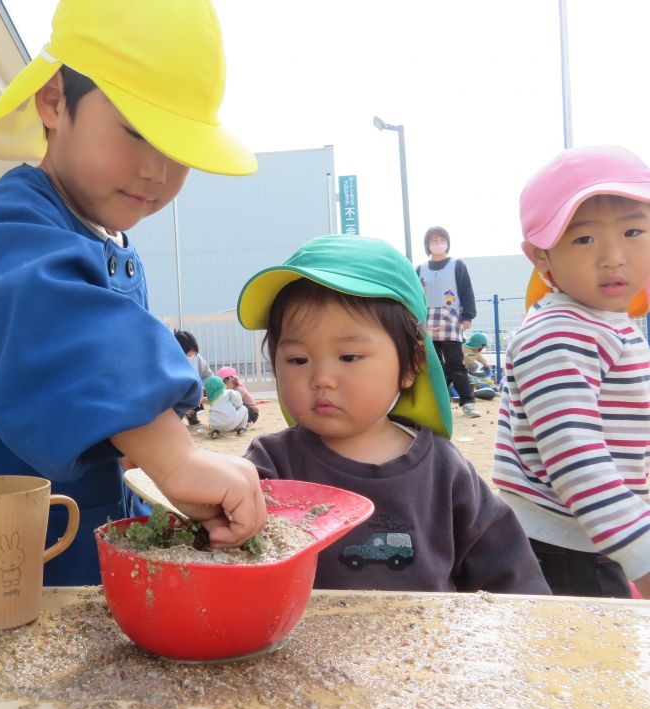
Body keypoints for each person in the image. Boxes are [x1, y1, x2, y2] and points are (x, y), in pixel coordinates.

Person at [0, 0, 267, 588]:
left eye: (179, 152)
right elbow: (58, 326)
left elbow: (113, 421)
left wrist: (161, 488)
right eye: (136, 131)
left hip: (73, 536)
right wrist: (176, 458)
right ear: (54, 101)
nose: (156, 169)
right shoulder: (11, 220)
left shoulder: (118, 250)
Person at [238, 234, 550, 594]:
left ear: (410, 366)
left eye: (349, 357)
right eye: (297, 360)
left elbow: (512, 576)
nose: (321, 378)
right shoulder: (272, 465)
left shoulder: (444, 471)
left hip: (426, 645)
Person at [493, 145, 650, 599]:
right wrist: (641, 552)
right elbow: (575, 455)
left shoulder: (605, 322)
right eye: (584, 239)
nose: (614, 257)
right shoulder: (559, 335)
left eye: (634, 231)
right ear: (541, 257)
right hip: (564, 545)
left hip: (593, 531)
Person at [417, 226, 481, 418]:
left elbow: (466, 290)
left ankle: (468, 402)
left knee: (455, 362)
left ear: (447, 243)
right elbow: (415, 295)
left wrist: (468, 315)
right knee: (433, 365)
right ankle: (436, 404)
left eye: (441, 240)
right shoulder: (420, 269)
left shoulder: (457, 265)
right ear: (428, 245)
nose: (438, 244)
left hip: (451, 319)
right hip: (427, 320)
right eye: (434, 241)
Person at [174, 330, 213, 425]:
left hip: (193, 393)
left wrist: (215, 387)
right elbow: (172, 390)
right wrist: (182, 407)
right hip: (178, 395)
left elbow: (208, 375)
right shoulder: (173, 361)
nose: (191, 353)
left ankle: (192, 414)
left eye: (193, 350)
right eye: (188, 351)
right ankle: (181, 412)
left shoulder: (197, 358)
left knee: (207, 389)